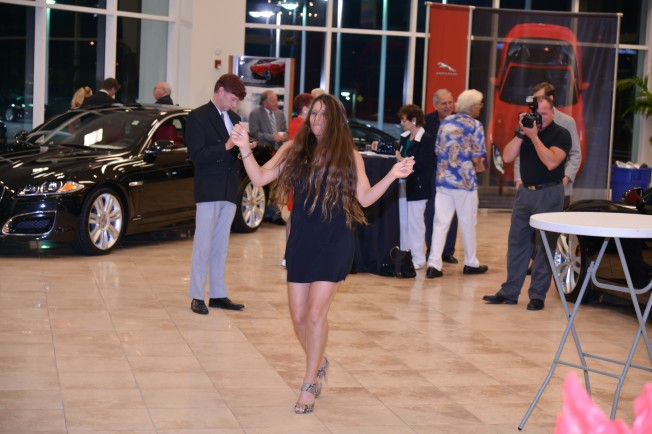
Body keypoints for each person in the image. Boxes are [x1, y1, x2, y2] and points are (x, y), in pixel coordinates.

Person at [230, 94, 414, 414]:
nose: (317, 119)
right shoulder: (294, 149)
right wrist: (245, 148)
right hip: (301, 240)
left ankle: (309, 382)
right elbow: (259, 177)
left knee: (316, 314)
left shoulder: (349, 155)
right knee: (298, 317)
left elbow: (365, 198)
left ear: (336, 121)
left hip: (335, 241)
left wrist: (392, 175)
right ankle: (319, 361)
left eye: (324, 115)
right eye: (313, 113)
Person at [482, 95, 571, 311]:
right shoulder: (526, 130)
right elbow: (507, 157)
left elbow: (551, 162)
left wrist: (534, 137)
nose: (539, 118)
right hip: (525, 193)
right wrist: (522, 134)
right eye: (536, 113)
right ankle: (510, 291)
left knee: (544, 246)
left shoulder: (561, 134)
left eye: (544, 114)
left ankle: (537, 295)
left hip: (550, 193)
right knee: (517, 242)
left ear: (553, 113)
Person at [186, 73, 249, 315]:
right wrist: (227, 146)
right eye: (233, 99)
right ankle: (196, 295)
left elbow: (234, 154)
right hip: (209, 188)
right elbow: (197, 155)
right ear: (220, 90)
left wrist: (245, 147)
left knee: (221, 245)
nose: (234, 105)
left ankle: (218, 294)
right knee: (202, 244)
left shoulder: (234, 118)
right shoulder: (198, 116)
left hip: (229, 188)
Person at [426, 89, 488, 279]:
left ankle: (433, 265)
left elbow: (437, 150)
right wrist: (480, 168)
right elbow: (477, 157)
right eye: (479, 104)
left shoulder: (446, 122)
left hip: (443, 180)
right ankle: (471, 262)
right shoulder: (475, 125)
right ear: (473, 106)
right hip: (464, 183)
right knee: (468, 222)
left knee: (440, 222)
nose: (480, 108)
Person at [514, 82, 582, 208]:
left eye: (540, 98)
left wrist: (567, 176)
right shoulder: (530, 120)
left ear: (550, 98)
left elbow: (575, 154)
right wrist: (518, 178)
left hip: (557, 186)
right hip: (530, 189)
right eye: (535, 99)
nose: (537, 102)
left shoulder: (566, 121)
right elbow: (521, 152)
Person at [395, 104, 436, 270]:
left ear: (413, 120)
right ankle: (406, 256)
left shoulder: (426, 139)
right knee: (404, 223)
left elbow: (425, 165)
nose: (402, 123)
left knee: (416, 224)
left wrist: (402, 160)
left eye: (403, 120)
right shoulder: (405, 137)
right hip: (403, 185)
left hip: (418, 187)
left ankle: (418, 258)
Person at [424, 89, 459, 264]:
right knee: (432, 211)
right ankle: (432, 250)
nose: (448, 106)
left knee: (452, 212)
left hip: (453, 174)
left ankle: (448, 251)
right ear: (435, 105)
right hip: (433, 173)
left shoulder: (459, 121)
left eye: (450, 102)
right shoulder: (426, 122)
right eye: (444, 103)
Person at [281, 92, 315, 268]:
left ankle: (289, 254)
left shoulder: (295, 123)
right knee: (295, 218)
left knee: (293, 217)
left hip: (295, 175)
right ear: (305, 108)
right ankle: (289, 255)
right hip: (299, 177)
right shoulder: (302, 126)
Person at [248, 89, 288, 225]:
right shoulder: (255, 114)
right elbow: (255, 133)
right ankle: (266, 213)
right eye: (273, 101)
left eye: (276, 100)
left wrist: (284, 136)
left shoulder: (280, 114)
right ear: (265, 102)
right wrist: (272, 137)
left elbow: (285, 131)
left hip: (278, 153)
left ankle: (274, 213)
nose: (276, 103)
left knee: (277, 185)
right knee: (266, 184)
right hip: (263, 153)